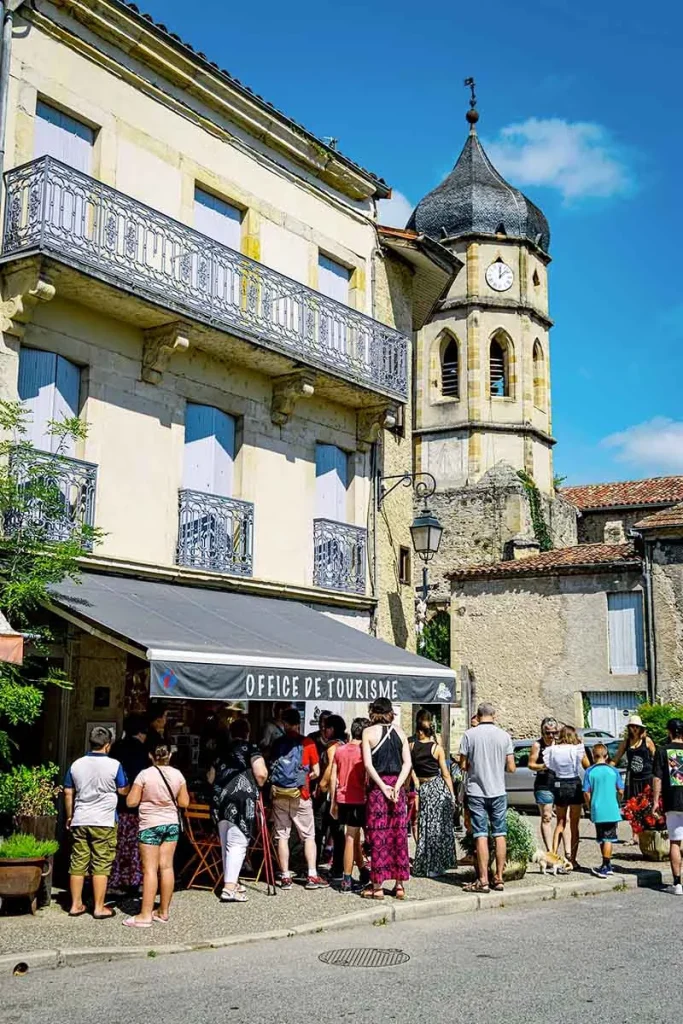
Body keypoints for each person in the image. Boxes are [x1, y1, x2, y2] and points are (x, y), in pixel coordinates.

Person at [63, 726, 129, 919]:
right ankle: (99, 907)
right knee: (101, 863)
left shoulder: (76, 764)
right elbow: (123, 790)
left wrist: (70, 815)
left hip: (81, 818)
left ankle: (76, 904)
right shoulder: (114, 765)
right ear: (107, 745)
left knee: (78, 862)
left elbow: (68, 792)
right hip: (104, 820)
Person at [123, 744, 190, 927]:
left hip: (150, 824)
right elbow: (184, 802)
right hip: (171, 824)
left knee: (150, 870)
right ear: (169, 755)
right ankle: (163, 911)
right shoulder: (178, 775)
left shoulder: (145, 774)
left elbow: (131, 802)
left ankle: (145, 915)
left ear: (151, 755)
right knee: (167, 867)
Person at [208, 718, 268, 902]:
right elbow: (261, 773)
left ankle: (231, 882)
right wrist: (259, 785)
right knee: (238, 844)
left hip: (220, 799)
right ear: (247, 732)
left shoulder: (221, 749)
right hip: (241, 799)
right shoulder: (251, 748)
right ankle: (229, 888)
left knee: (227, 843)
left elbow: (210, 777)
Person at [459, 703, 515, 894]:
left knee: (480, 834)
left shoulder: (469, 735)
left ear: (478, 715)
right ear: (494, 715)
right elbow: (511, 767)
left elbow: (463, 764)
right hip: (498, 790)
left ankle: (483, 880)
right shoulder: (504, 736)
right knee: (500, 834)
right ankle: (499, 878)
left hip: (476, 791)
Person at [270, 708, 328, 889]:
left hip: (279, 794)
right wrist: (304, 779)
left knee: (282, 836)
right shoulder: (308, 743)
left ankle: (285, 877)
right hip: (301, 794)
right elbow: (316, 772)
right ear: (299, 723)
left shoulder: (277, 742)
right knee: (308, 835)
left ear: (284, 723)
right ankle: (312, 875)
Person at [361, 698, 412, 900]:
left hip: (378, 789)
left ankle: (378, 886)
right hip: (397, 789)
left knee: (378, 836)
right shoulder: (401, 733)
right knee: (398, 835)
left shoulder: (368, 732)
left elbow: (367, 764)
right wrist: (398, 786)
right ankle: (399, 885)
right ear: (391, 712)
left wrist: (383, 787)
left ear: (373, 712)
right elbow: (407, 763)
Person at [411, 710, 456, 878]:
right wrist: (451, 793)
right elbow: (445, 773)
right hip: (436, 787)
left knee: (424, 826)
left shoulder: (412, 746)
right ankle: (436, 864)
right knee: (436, 827)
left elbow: (409, 767)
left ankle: (425, 863)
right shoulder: (437, 749)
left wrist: (415, 781)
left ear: (419, 731)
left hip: (423, 788)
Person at [109, 714, 149, 894]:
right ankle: (134, 880)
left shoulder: (116, 747)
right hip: (135, 804)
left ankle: (113, 881)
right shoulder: (142, 751)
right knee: (134, 846)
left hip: (115, 804)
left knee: (116, 845)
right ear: (141, 732)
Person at [330, 717, 370, 894]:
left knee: (352, 835)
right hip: (359, 798)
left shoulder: (340, 750)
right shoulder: (364, 752)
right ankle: (346, 879)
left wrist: (333, 801)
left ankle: (361, 870)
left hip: (342, 797)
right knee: (351, 837)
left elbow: (334, 776)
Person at [544, 725, 590, 868]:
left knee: (560, 822)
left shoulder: (553, 750)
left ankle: (553, 855)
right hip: (573, 783)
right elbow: (587, 765)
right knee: (574, 824)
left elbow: (550, 767)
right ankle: (572, 859)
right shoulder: (577, 749)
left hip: (559, 783)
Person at [583, 742, 624, 878]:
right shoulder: (613, 771)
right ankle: (607, 864)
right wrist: (617, 801)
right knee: (608, 837)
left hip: (597, 808)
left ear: (594, 757)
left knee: (603, 838)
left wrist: (589, 806)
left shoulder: (590, 771)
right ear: (606, 756)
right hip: (612, 808)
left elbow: (586, 792)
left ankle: (606, 866)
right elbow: (621, 790)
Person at [652, 718, 683, 896]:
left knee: (675, 842)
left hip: (673, 800)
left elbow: (657, 778)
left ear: (669, 732)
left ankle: (677, 883)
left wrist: (656, 801)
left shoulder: (663, 751)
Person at [316, 714, 347, 878]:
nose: (324, 730)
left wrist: (322, 784)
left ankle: (314, 866)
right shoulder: (344, 744)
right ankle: (338, 868)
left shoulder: (332, 746)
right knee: (338, 832)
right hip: (341, 793)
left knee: (319, 829)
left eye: (326, 727)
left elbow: (330, 767)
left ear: (332, 729)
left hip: (329, 795)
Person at [528, 717, 559, 851]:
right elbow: (531, 764)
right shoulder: (537, 745)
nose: (551, 736)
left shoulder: (560, 744)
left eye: (554, 732)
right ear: (542, 732)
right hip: (543, 784)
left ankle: (564, 851)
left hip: (560, 783)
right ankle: (550, 851)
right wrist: (543, 766)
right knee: (546, 817)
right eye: (548, 733)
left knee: (564, 819)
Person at [611, 715, 656, 801]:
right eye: (632, 726)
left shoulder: (647, 741)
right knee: (632, 805)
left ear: (640, 728)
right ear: (629, 728)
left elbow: (656, 757)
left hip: (646, 778)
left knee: (647, 804)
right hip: (632, 779)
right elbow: (616, 759)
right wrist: (605, 769)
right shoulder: (626, 742)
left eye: (637, 726)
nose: (634, 728)